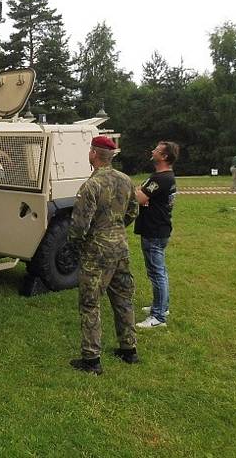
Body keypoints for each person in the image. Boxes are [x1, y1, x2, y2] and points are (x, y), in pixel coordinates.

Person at [68, 136, 139, 375]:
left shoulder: (91, 186)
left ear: (94, 154)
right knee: (123, 298)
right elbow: (133, 211)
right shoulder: (125, 180)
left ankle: (91, 360)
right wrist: (115, 228)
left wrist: (77, 244)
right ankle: (129, 349)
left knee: (90, 303)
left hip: (97, 252)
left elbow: (79, 226)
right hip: (120, 247)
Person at [134, 141, 179, 329]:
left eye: (157, 150)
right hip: (160, 229)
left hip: (153, 230)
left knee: (156, 273)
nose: (153, 151)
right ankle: (162, 306)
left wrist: (138, 191)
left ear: (165, 157)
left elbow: (139, 198)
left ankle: (158, 317)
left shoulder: (160, 179)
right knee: (160, 271)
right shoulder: (165, 177)